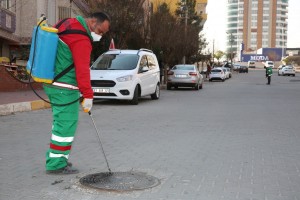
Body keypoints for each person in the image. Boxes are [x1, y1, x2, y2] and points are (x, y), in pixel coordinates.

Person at [43, 12, 110, 174]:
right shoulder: (81, 39)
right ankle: (56, 164)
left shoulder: (68, 23)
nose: (100, 36)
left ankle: (57, 158)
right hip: (64, 86)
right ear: (93, 21)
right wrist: (88, 95)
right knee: (66, 124)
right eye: (100, 31)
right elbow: (82, 70)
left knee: (61, 123)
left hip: (53, 82)